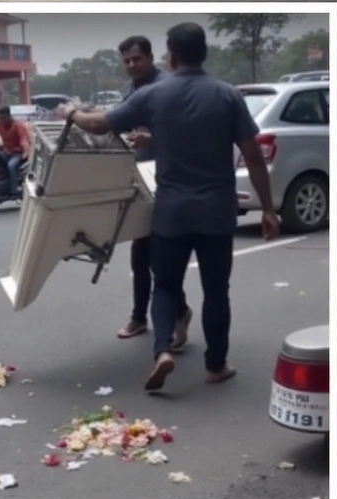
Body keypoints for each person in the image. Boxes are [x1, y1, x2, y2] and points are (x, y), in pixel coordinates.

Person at [56, 22, 280, 391]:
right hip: (216, 213)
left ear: (170, 57)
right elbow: (253, 156)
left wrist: (70, 113)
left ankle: (162, 351)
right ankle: (215, 366)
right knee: (216, 290)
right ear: (203, 53)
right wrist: (268, 209)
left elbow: (97, 125)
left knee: (165, 286)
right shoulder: (227, 95)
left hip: (171, 213)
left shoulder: (156, 95)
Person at [113, 35, 193, 345]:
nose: (132, 65)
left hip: (169, 184)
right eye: (127, 61)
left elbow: (184, 138)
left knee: (161, 258)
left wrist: (153, 140)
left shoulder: (167, 88)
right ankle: (142, 316)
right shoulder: (129, 89)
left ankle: (177, 312)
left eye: (137, 59)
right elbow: (118, 123)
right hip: (141, 182)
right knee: (141, 256)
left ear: (151, 58)